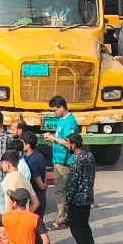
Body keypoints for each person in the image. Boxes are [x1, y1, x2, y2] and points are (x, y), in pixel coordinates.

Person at [43, 95, 78, 230]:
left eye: (55, 110)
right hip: (58, 158)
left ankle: (61, 219)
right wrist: (53, 137)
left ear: (62, 108)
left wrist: (53, 138)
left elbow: (69, 143)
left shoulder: (69, 122)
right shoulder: (61, 120)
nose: (54, 113)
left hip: (64, 161)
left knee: (60, 191)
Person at [66, 135, 97, 244]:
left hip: (77, 199)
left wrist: (67, 201)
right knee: (85, 225)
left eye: (68, 143)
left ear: (73, 144)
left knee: (76, 227)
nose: (67, 146)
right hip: (88, 197)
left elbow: (73, 183)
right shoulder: (89, 156)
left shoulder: (76, 161)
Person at [21, 131, 49, 218]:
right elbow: (45, 175)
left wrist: (43, 187)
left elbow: (39, 181)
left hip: (36, 195)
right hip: (41, 196)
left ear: (28, 145)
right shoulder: (39, 155)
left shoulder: (32, 161)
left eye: (22, 143)